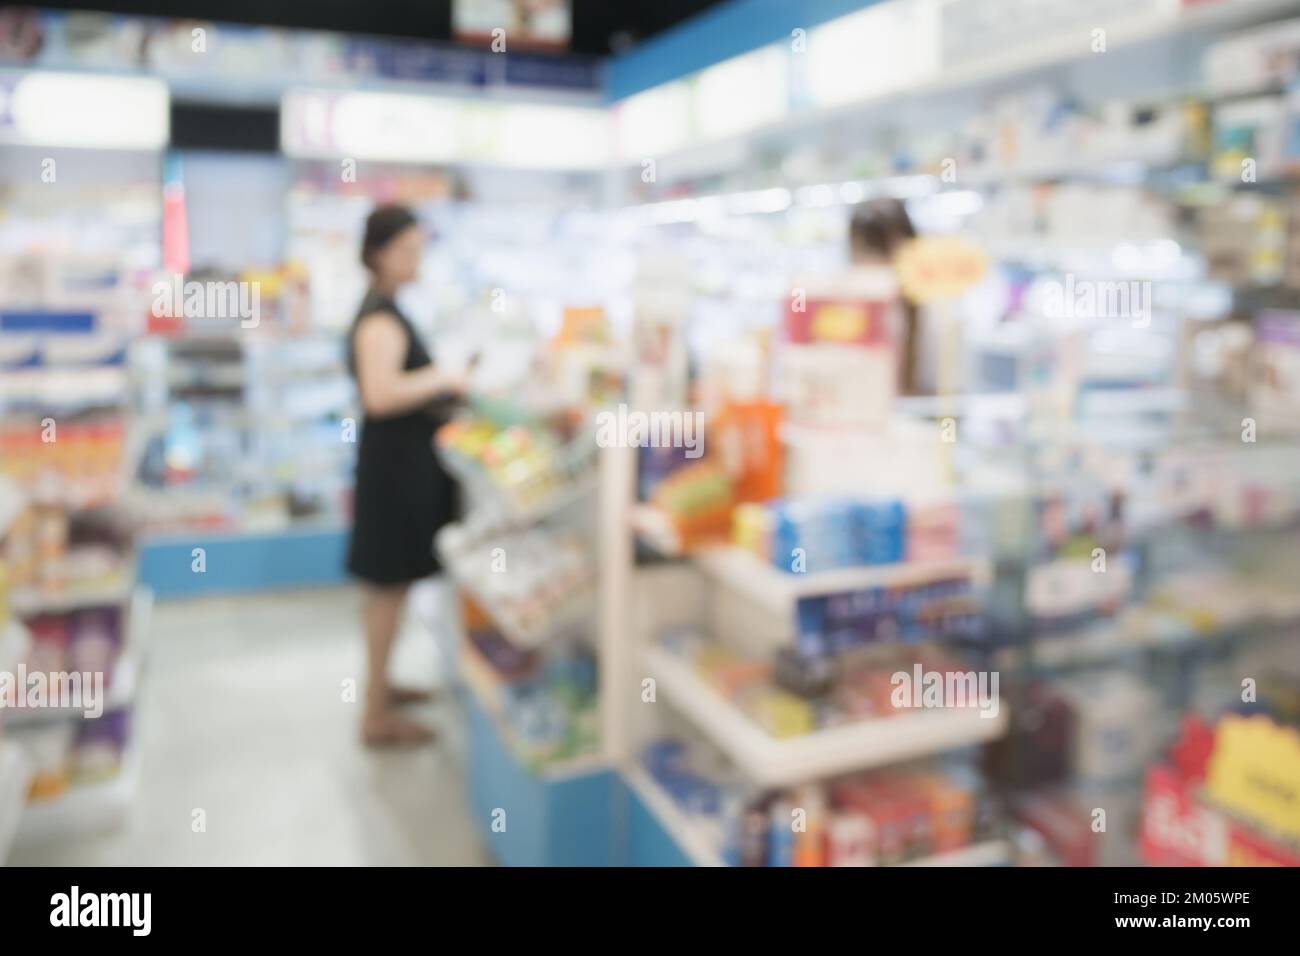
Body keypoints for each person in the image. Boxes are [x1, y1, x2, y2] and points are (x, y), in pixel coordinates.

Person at [346, 205, 466, 747]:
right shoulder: (380, 318)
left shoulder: (388, 308)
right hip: (393, 470)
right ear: (379, 255)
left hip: (394, 464)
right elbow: (380, 393)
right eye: (407, 250)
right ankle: (375, 715)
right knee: (388, 590)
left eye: (420, 248)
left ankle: (381, 690)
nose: (416, 259)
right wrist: (442, 376)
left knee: (387, 591)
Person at [849, 197, 925, 395]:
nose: (873, 264)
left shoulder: (935, 318)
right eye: (864, 251)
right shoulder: (848, 312)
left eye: (882, 251)